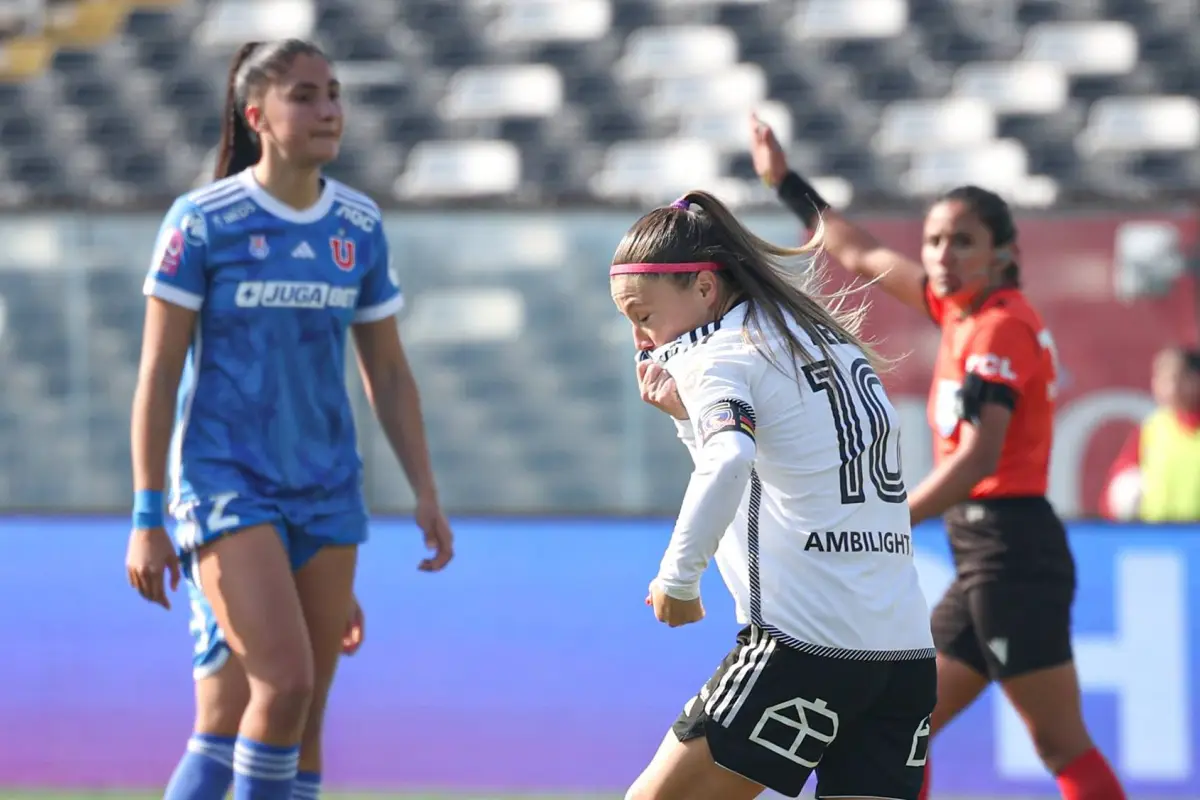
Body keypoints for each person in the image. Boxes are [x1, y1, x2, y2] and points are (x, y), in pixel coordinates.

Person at [749, 115, 1125, 800]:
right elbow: (858, 253)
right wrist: (784, 182)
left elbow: (979, 459)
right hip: (982, 556)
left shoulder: (1003, 325)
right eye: (934, 240)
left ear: (1003, 255)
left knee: (1058, 743)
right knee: (907, 724)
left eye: (963, 241)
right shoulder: (957, 313)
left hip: (1013, 557)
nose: (944, 254)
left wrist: (893, 517)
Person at [124, 39, 454, 800]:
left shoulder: (359, 226)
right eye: (304, 94)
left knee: (291, 718)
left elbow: (390, 373)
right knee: (285, 686)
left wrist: (426, 492)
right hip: (225, 483)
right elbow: (157, 373)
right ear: (256, 115)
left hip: (329, 489)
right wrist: (148, 515)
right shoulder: (202, 222)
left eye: (333, 92)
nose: (328, 108)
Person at [614, 190, 936, 800]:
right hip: (903, 657)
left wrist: (680, 580)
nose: (640, 338)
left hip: (804, 650)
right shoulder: (825, 340)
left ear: (706, 289)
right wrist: (689, 422)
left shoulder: (716, 353)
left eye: (644, 313)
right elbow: (774, 458)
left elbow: (730, 456)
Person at [1101, 346, 1200, 521]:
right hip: (1158, 538)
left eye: (1174, 378)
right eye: (1159, 378)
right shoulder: (1152, 428)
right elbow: (1117, 485)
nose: (1165, 386)